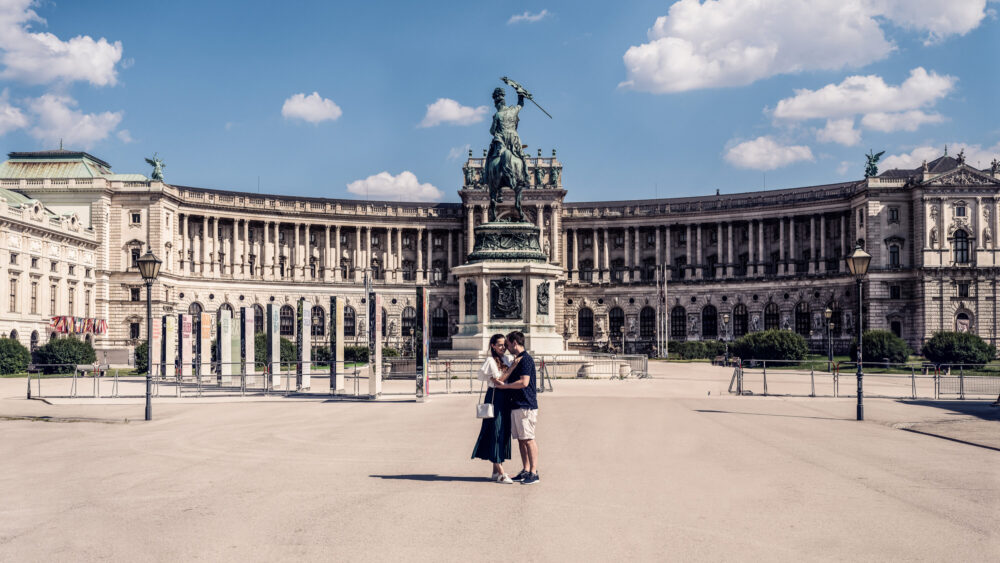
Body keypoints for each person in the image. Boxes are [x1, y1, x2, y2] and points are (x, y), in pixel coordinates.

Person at [471, 334, 521, 483]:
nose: (503, 347)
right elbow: (499, 381)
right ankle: (500, 472)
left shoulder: (506, 359)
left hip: (506, 398)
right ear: (492, 346)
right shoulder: (490, 361)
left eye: (504, 344)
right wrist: (512, 367)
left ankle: (495, 471)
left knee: (502, 432)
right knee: (496, 430)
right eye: (499, 345)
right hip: (495, 397)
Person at [491, 330, 539, 485]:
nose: (506, 347)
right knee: (521, 440)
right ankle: (525, 469)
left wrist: (505, 387)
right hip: (517, 404)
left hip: (526, 404)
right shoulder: (517, 359)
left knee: (529, 439)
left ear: (514, 343)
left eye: (507, 344)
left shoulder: (525, 359)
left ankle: (533, 472)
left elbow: (524, 382)